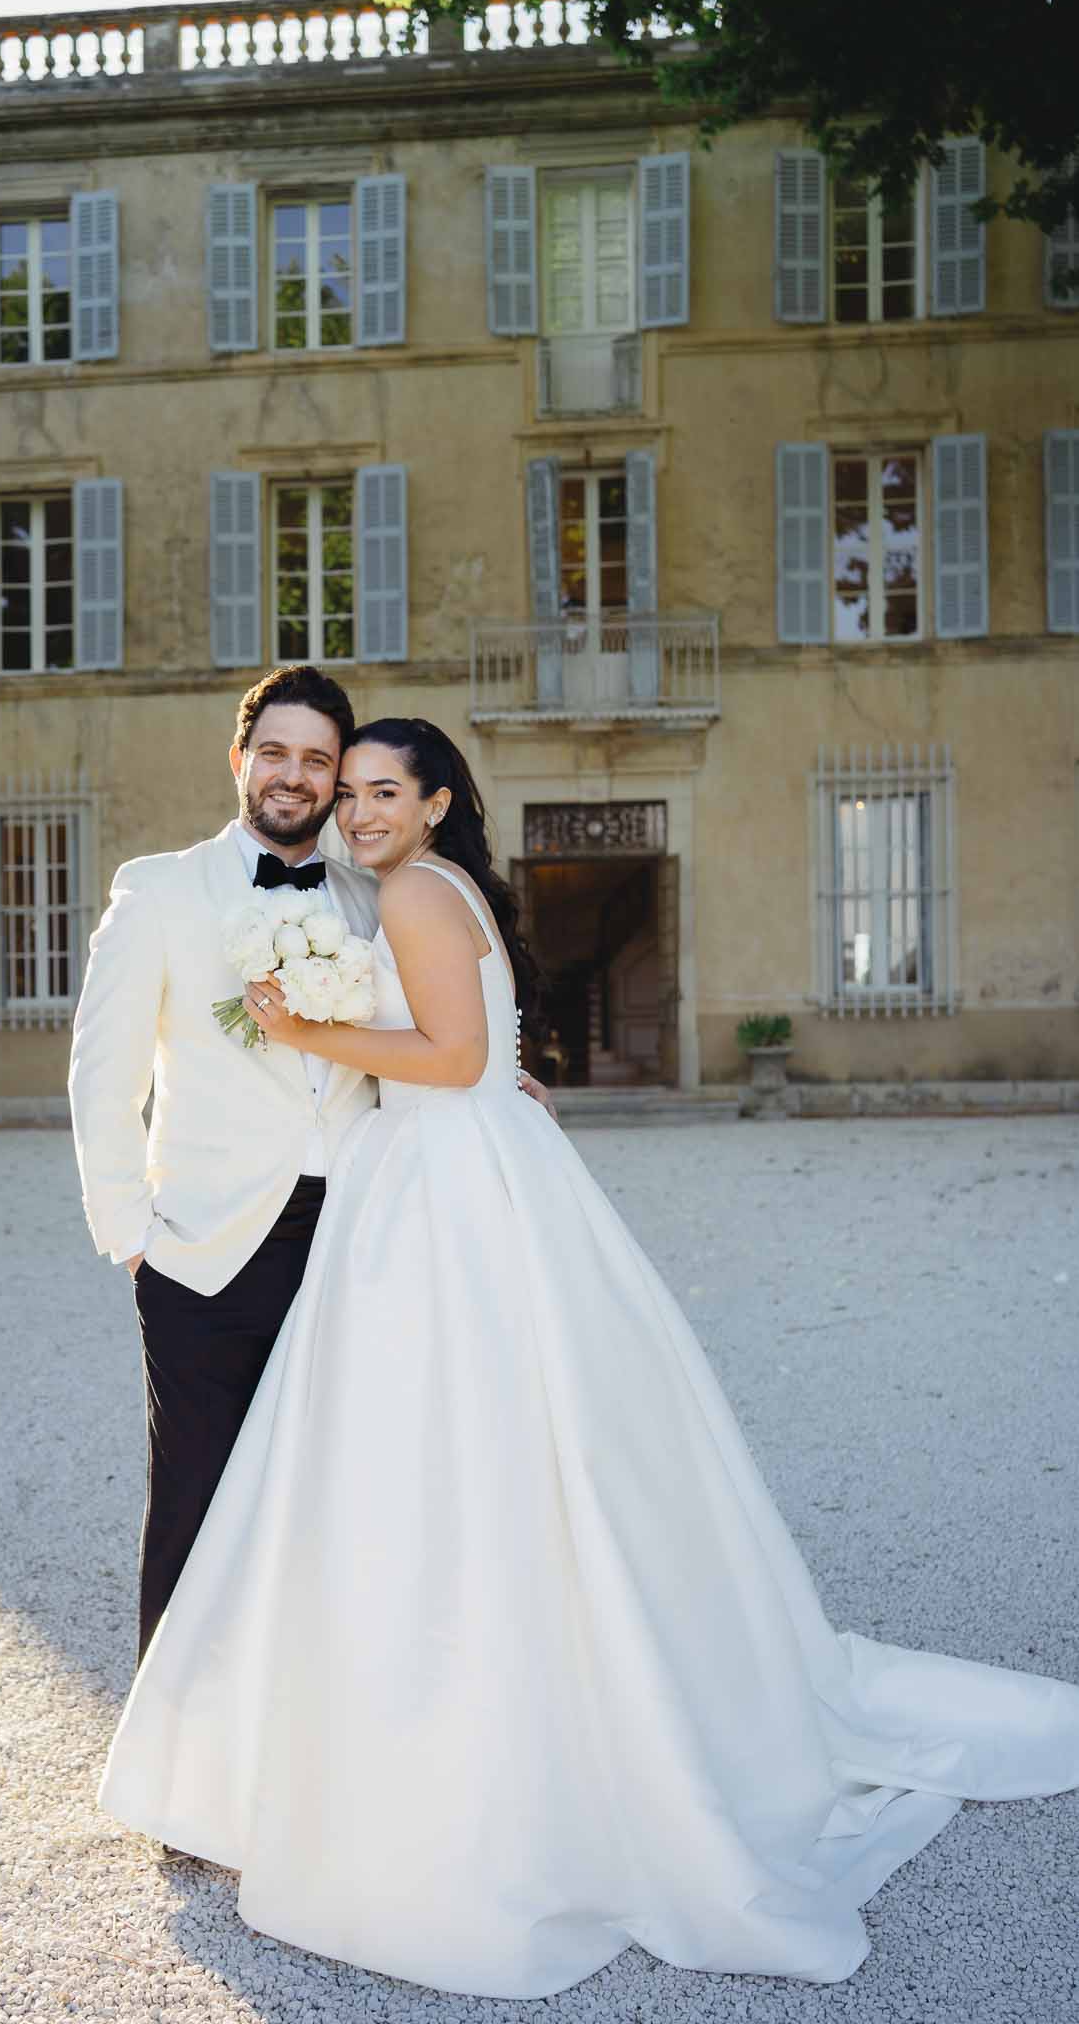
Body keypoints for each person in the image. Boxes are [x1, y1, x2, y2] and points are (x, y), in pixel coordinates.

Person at [96, 715, 1079, 1997]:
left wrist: (305, 1027)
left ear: (439, 801)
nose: (360, 809)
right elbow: (457, 1054)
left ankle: (468, 1732)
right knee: (443, 1448)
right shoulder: (389, 886)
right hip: (418, 1176)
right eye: (355, 791)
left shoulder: (408, 890)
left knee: (451, 1445)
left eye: (386, 790)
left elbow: (447, 1056)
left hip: (438, 1187)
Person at [68, 671, 553, 1668]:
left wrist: (504, 1074)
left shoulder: (373, 887)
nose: (297, 775)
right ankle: (179, 1751)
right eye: (277, 753)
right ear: (241, 760)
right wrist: (134, 1242)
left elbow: (429, 1022)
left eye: (319, 762)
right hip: (209, 1247)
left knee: (337, 1496)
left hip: (361, 1234)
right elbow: (100, 1080)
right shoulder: (159, 890)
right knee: (198, 1496)